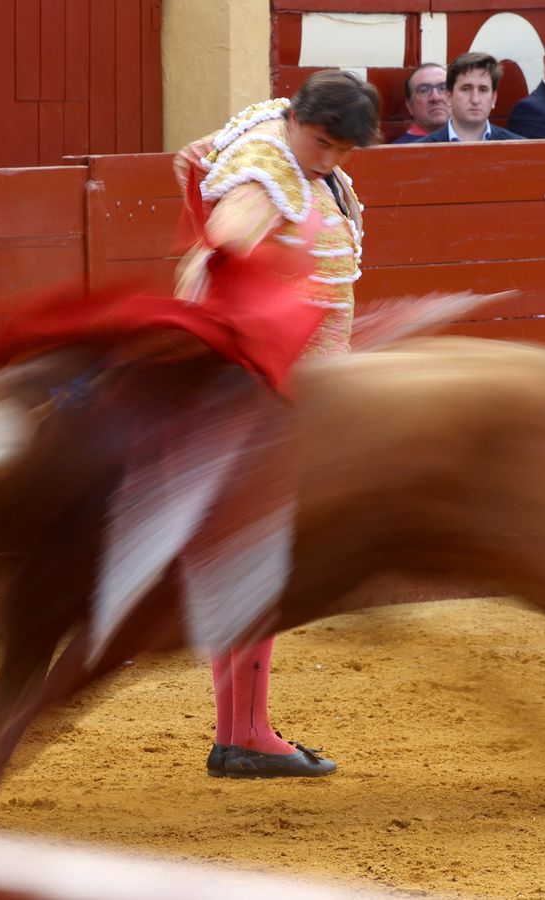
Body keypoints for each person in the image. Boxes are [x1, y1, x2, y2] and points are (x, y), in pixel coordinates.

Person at [174, 70, 379, 778]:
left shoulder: (282, 143)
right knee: (259, 565)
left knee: (252, 565)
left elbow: (206, 151)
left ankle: (241, 733)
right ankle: (246, 735)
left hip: (294, 394)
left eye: (341, 150)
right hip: (268, 398)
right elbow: (219, 247)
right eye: (321, 142)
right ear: (298, 120)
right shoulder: (267, 173)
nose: (327, 160)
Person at [417, 52, 525, 142]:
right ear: (449, 97)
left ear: (493, 99)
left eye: (483, 90)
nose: (475, 100)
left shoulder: (521, 148)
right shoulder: (418, 151)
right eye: (466, 89)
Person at [392, 63, 450, 143]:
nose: (436, 98)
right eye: (424, 90)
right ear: (410, 106)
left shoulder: (470, 140)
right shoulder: (400, 151)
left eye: (443, 88)